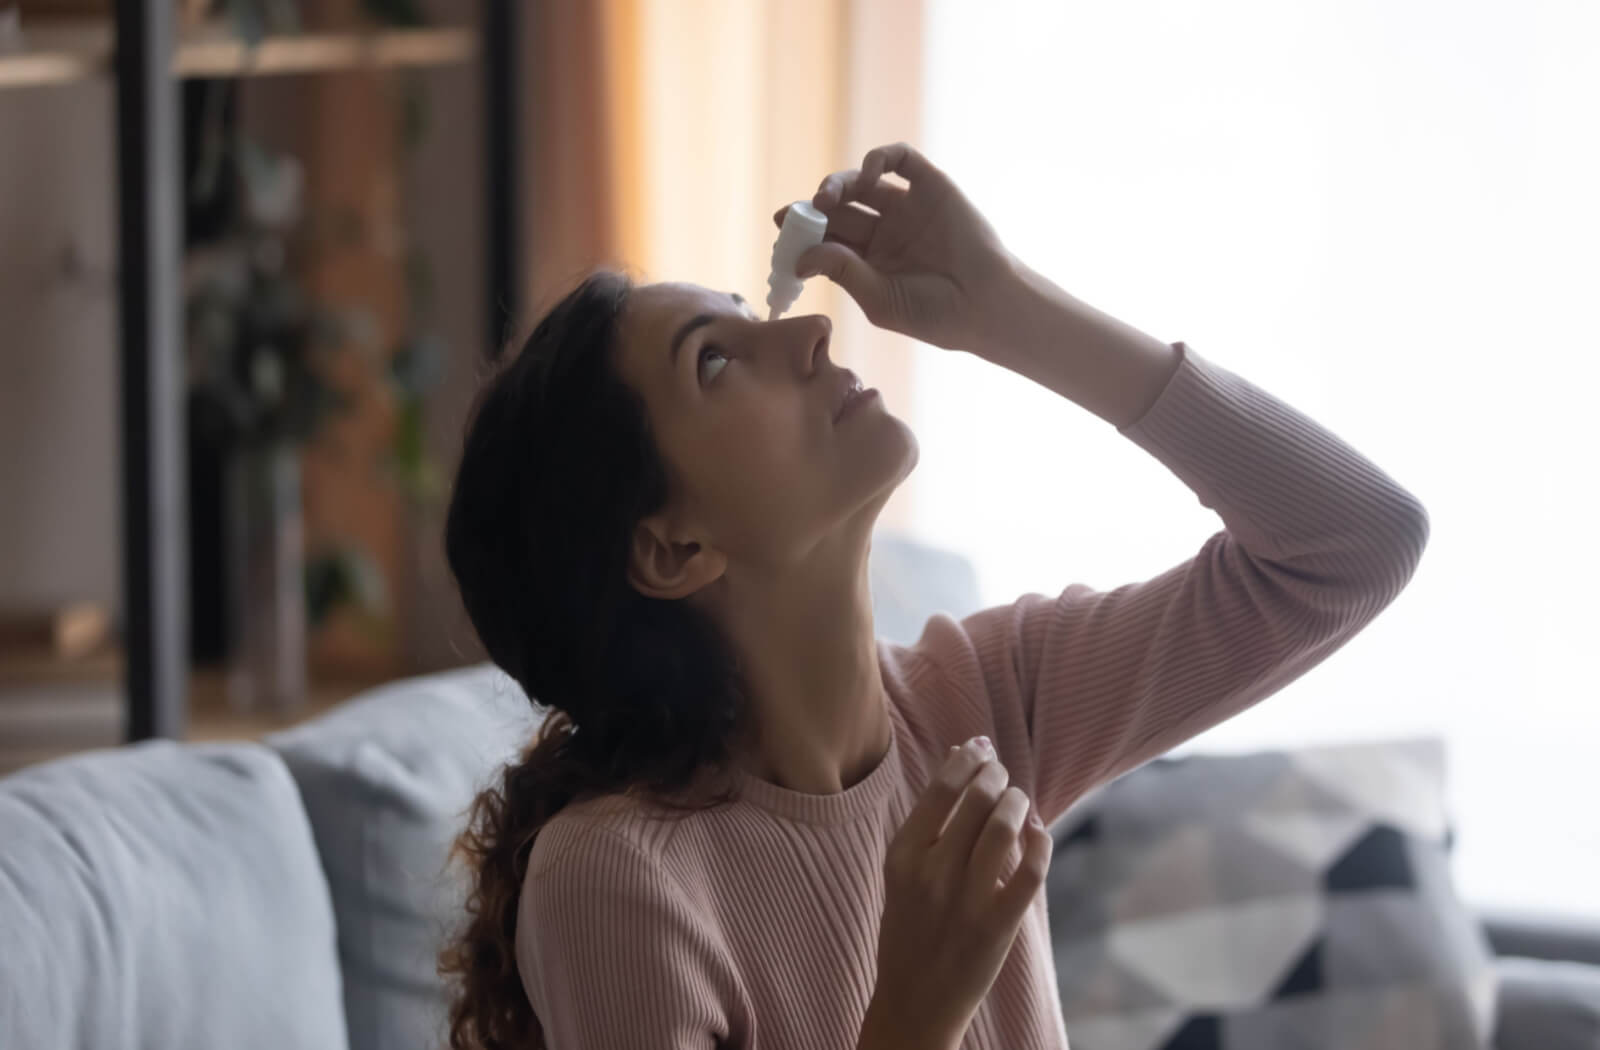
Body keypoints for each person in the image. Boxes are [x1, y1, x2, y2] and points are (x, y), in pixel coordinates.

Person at [436, 142, 1430, 1050]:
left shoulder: (984, 704)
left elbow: (1356, 542)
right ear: (670, 548)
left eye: (751, 317)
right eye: (714, 360)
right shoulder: (616, 884)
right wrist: (914, 1013)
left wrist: (1003, 306)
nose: (811, 334)